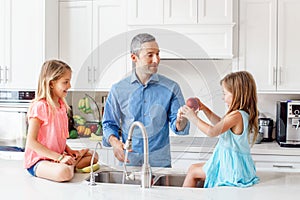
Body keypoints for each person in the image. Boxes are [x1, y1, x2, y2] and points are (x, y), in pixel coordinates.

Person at [102, 33, 189, 167]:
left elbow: (179, 127)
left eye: (158, 54)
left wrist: (181, 120)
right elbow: (109, 124)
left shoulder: (171, 88)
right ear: (134, 57)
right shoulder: (118, 90)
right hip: (129, 163)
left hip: (159, 164)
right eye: (150, 55)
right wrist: (114, 142)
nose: (156, 59)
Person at [181, 71, 260, 188]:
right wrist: (204, 108)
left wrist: (193, 118)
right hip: (232, 164)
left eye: (225, 93)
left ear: (237, 94)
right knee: (193, 168)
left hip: (231, 168)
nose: (223, 97)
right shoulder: (240, 114)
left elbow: (212, 132)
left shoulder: (236, 115)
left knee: (193, 172)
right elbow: (219, 125)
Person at [24, 60, 98, 182]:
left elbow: (55, 139)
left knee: (93, 156)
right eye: (65, 82)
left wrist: (69, 151)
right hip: (39, 161)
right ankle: (69, 166)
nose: (69, 86)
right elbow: (31, 143)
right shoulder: (40, 106)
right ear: (52, 83)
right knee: (64, 173)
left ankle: (69, 164)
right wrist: (60, 157)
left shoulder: (61, 106)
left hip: (57, 158)